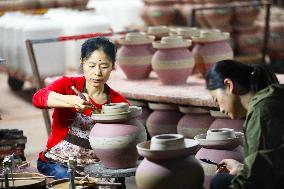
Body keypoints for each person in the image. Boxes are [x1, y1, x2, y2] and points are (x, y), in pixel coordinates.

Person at [33, 37, 128, 179]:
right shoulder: (67, 85)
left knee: (114, 181)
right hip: (58, 162)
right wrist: (71, 100)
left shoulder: (117, 101)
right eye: (91, 65)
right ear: (82, 62)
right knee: (69, 179)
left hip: (97, 165)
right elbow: (38, 98)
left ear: (113, 66)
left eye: (104, 66)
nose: (97, 73)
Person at [206, 59, 284, 189]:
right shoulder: (274, 97)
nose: (220, 109)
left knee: (219, 183)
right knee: (222, 180)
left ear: (228, 85)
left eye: (217, 100)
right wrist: (242, 168)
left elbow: (254, 183)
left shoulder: (262, 112)